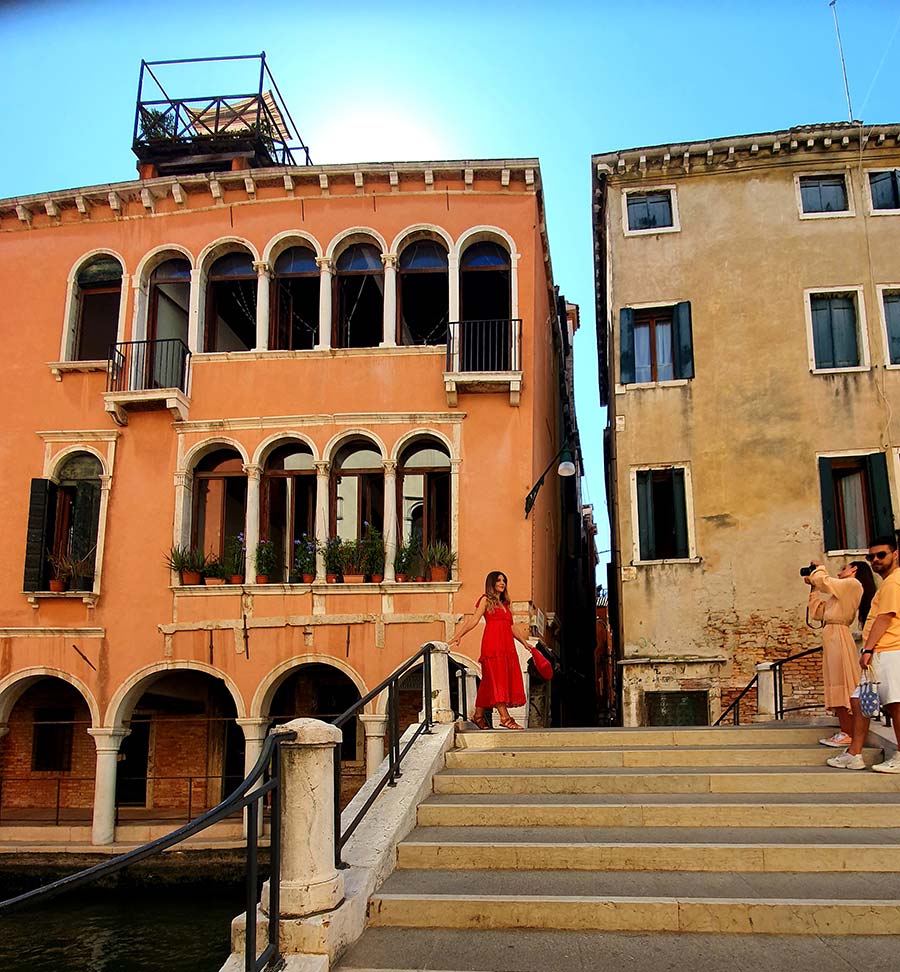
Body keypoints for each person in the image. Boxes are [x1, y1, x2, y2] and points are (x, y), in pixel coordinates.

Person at [827, 535, 900, 771]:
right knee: (858, 700)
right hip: (880, 652)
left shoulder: (893, 582)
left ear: (895, 554)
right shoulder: (888, 583)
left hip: (888, 650)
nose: (876, 560)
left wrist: (868, 649)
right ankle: (854, 753)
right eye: (872, 557)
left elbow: (885, 617)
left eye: (881, 555)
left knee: (895, 705)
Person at [805, 559, 875, 748]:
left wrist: (819, 569)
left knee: (841, 682)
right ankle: (846, 730)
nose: (840, 572)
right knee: (835, 681)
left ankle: (848, 732)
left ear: (854, 569)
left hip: (838, 634)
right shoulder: (841, 592)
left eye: (844, 568)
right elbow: (818, 613)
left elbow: (825, 581)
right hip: (831, 634)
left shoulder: (853, 584)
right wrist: (813, 588)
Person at [448, 570, 529, 730]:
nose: (502, 583)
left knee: (488, 682)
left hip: (506, 647)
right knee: (497, 680)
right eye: (499, 580)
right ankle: (505, 717)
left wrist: (524, 643)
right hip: (492, 646)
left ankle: (478, 716)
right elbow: (474, 620)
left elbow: (511, 626)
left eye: (504, 581)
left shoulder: (506, 604)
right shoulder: (485, 600)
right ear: (492, 583)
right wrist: (459, 635)